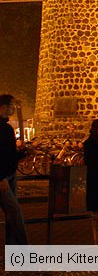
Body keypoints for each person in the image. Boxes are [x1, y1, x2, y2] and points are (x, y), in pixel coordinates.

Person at [0, 94, 29, 245]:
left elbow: (9, 155)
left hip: (10, 175)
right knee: (15, 212)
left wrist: (24, 152)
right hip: (3, 178)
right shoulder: (2, 128)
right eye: (12, 105)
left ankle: (12, 253)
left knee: (11, 215)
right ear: (4, 106)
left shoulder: (7, 127)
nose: (13, 108)